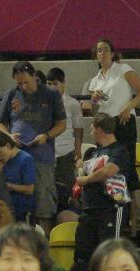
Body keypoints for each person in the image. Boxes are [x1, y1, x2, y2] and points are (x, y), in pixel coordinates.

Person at [86, 39, 140, 233]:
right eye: (99, 51)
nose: (102, 53)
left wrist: (127, 108)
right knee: (112, 168)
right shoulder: (96, 80)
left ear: (113, 53)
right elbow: (93, 111)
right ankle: (118, 213)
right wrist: (93, 100)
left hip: (124, 121)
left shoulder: (122, 69)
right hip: (107, 124)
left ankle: (135, 218)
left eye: (105, 50)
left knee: (128, 167)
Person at [0, 61, 64, 232]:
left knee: (44, 204)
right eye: (19, 83)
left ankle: (44, 243)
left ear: (35, 76)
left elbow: (62, 124)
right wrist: (8, 136)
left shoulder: (51, 94)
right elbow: (0, 123)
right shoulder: (11, 94)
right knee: (15, 205)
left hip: (42, 156)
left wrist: (46, 136)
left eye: (26, 82)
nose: (23, 86)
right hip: (16, 156)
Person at [72, 114, 133, 271]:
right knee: (83, 255)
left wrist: (85, 179)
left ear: (99, 129)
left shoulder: (119, 150)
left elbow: (109, 170)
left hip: (111, 209)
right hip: (89, 209)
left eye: (92, 128)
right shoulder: (94, 152)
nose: (91, 132)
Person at [47, 67, 85, 211]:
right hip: (48, 153)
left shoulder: (72, 103)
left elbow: (79, 130)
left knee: (67, 192)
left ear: (63, 83)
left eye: (55, 83)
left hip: (66, 153)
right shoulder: (43, 103)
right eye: (49, 83)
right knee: (49, 193)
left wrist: (78, 152)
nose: (52, 87)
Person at [0, 133, 37, 227]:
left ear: (8, 145)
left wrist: (9, 186)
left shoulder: (25, 159)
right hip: (7, 210)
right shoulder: (3, 160)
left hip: (22, 211)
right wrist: (0, 166)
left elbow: (29, 189)